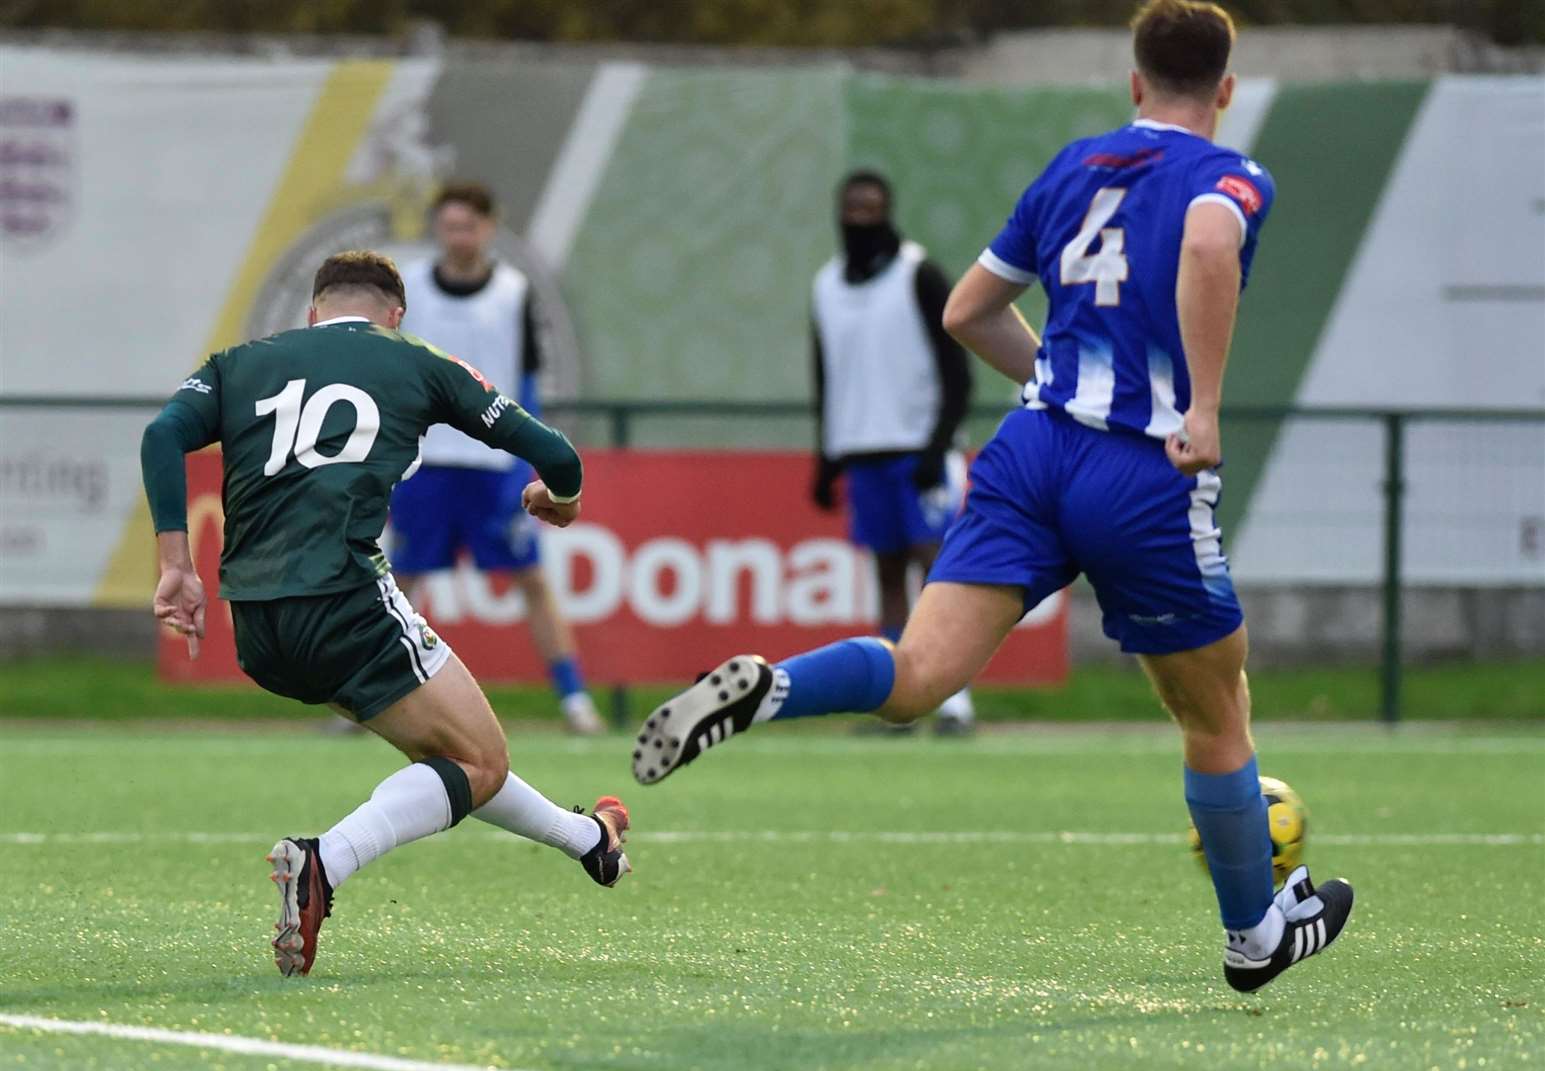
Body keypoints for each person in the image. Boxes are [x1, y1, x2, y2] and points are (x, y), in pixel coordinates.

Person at [631, 0, 1353, 994]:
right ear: (1225, 90)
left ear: (1134, 82)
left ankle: (776, 687)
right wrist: (1208, 408)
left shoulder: (1072, 169)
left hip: (1028, 449)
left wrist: (1045, 376)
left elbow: (967, 309)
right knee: (1218, 705)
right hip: (1141, 466)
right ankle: (1254, 935)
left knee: (920, 673)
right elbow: (1205, 247)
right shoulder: (1231, 175)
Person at [140, 251, 631, 977]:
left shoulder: (237, 362)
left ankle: (589, 843)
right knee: (480, 760)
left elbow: (161, 437)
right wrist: (557, 499)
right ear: (395, 315)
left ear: (312, 310)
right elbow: (556, 454)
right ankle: (324, 863)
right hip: (346, 599)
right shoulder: (417, 360)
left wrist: (176, 566)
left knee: (452, 760)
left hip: (256, 623)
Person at [389, 181, 604, 735]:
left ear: (488, 227)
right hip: (426, 465)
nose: (457, 237)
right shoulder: (409, 288)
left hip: (493, 470)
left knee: (531, 578)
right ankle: (368, 699)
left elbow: (526, 385)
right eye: (448, 225)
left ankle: (575, 699)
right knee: (396, 583)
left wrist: (528, 462)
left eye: (468, 226)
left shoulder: (513, 292)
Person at [810, 170, 976, 735]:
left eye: (870, 208)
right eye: (850, 207)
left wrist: (938, 442)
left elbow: (958, 369)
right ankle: (899, 699)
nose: (859, 218)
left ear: (888, 210)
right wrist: (827, 457)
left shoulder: (918, 274)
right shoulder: (827, 285)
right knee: (885, 576)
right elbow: (827, 375)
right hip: (863, 450)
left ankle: (954, 701)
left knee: (938, 573)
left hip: (918, 449)